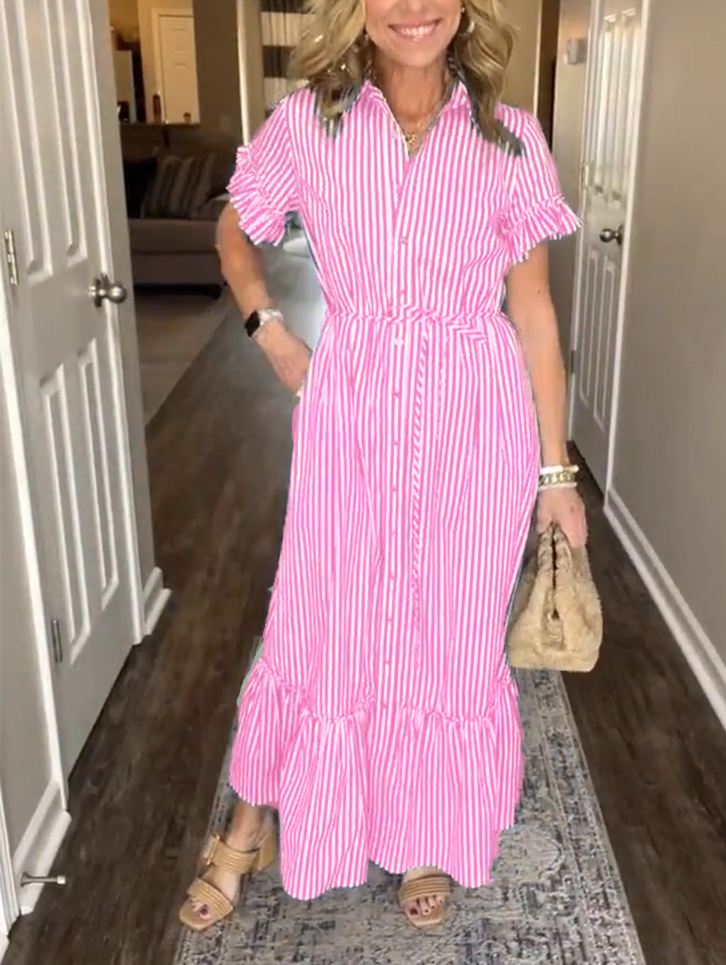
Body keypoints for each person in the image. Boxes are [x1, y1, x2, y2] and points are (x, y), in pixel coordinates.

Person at [179, 0, 587, 933]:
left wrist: (555, 473)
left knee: (449, 634)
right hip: (352, 413)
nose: (412, 9)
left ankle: (426, 831)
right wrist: (271, 332)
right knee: (317, 619)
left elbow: (532, 312)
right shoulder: (307, 124)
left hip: (474, 423)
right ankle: (250, 823)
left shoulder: (509, 137)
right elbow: (234, 233)